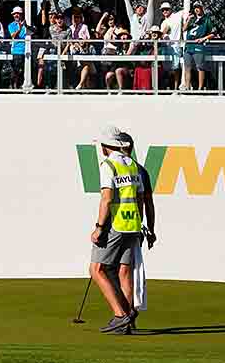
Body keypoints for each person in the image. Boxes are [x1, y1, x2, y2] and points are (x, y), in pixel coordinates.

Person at [88, 125, 144, 334]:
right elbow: (140, 199)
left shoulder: (108, 165)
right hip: (133, 225)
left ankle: (121, 316)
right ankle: (128, 318)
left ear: (104, 146)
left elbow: (107, 198)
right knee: (124, 271)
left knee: (97, 269)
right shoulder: (133, 165)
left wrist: (99, 227)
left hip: (115, 224)